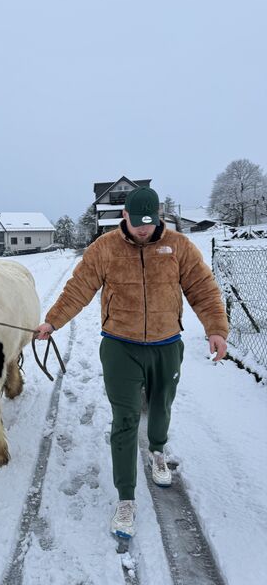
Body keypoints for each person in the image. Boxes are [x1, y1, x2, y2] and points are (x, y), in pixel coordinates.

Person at [35, 187, 228, 538]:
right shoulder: (105, 249)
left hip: (166, 344)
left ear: (159, 216)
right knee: (124, 420)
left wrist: (216, 328)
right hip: (120, 346)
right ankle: (126, 498)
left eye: (150, 223)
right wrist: (52, 321)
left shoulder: (179, 247)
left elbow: (203, 288)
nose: (143, 230)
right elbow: (78, 288)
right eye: (137, 223)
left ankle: (157, 450)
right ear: (124, 216)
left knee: (160, 405)